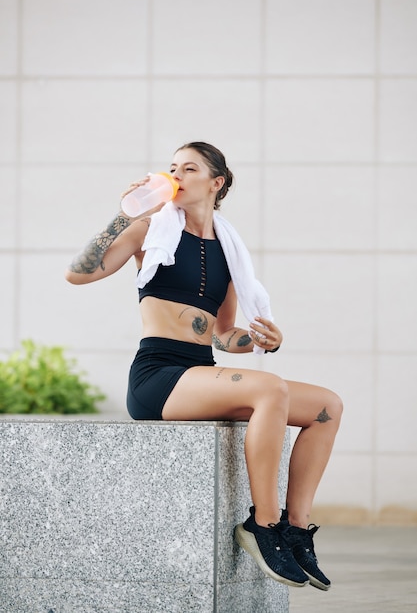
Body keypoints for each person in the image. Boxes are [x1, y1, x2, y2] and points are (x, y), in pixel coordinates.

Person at [65, 141, 343, 590]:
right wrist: (125, 212)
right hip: (159, 376)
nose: (175, 175)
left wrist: (262, 340)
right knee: (269, 389)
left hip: (200, 370)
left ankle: (295, 529)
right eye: (172, 167)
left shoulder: (228, 252)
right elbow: (79, 274)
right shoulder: (148, 230)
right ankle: (263, 526)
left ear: (216, 183)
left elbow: (222, 334)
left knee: (327, 407)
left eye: (188, 169)